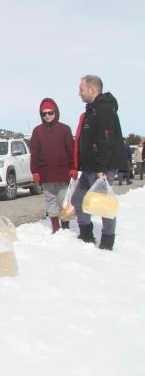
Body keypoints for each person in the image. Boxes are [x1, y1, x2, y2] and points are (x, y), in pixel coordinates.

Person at [71, 75, 127, 250]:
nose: (79, 93)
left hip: (102, 168)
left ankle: (107, 243)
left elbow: (106, 140)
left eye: (81, 89)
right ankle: (86, 235)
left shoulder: (104, 109)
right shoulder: (93, 109)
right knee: (78, 200)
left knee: (104, 205)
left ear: (92, 89)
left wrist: (102, 168)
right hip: (90, 167)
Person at [29, 98, 76, 233]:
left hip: (63, 173)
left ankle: (65, 225)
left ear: (56, 112)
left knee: (63, 200)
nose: (47, 116)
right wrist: (35, 172)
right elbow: (34, 154)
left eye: (50, 113)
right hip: (46, 174)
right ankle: (55, 227)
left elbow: (70, 151)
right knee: (51, 201)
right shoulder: (37, 131)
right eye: (44, 114)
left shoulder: (65, 129)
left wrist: (73, 168)